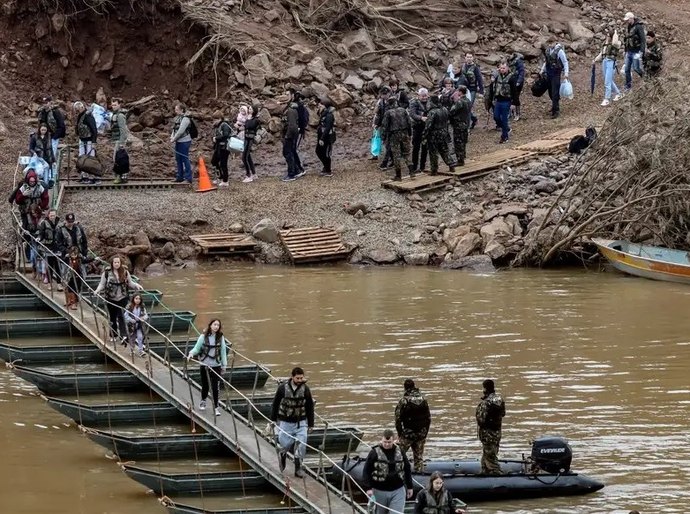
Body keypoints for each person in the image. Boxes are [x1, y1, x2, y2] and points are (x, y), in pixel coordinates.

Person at [270, 366, 315, 478]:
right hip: (286, 422)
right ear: (292, 377)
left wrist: (311, 424)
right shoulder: (282, 388)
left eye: (301, 378)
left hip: (301, 422)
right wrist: (273, 420)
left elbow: (309, 407)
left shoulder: (306, 389)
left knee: (301, 444)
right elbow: (275, 404)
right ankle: (283, 453)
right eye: (297, 378)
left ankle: (298, 468)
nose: (299, 380)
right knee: (285, 443)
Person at [93, 255, 143, 344]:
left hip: (123, 298)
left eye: (118, 262)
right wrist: (97, 290)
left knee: (122, 316)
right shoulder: (107, 273)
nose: (116, 264)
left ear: (120, 263)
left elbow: (130, 283)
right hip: (111, 298)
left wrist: (137, 285)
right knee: (112, 317)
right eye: (115, 262)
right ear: (112, 263)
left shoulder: (125, 272)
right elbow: (102, 284)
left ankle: (123, 335)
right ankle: (113, 334)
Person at [362, 428, 414, 514]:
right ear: (381, 440)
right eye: (384, 442)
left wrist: (410, 486)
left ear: (394, 440)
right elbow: (366, 470)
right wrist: (368, 488)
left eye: (389, 442)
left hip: (398, 490)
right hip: (379, 490)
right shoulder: (374, 452)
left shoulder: (400, 451)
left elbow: (407, 468)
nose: (386, 444)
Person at [187, 319, 229, 417]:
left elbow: (223, 351)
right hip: (204, 365)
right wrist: (191, 354)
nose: (216, 326)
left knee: (215, 388)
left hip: (216, 366)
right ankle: (203, 400)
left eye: (218, 325)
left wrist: (224, 365)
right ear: (210, 325)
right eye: (214, 324)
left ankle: (216, 408)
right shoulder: (203, 337)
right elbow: (197, 348)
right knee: (205, 385)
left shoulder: (220, 337)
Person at [395, 379, 431, 473]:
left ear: (405, 388)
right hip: (421, 434)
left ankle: (397, 475)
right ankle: (419, 475)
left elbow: (397, 419)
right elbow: (428, 418)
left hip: (408, 434)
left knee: (398, 456)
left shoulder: (404, 401)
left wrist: (400, 434)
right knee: (419, 458)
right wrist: (425, 433)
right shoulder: (424, 399)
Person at [475, 379, 506, 475]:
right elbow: (503, 414)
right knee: (490, 452)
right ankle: (485, 470)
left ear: (484, 388)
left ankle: (497, 473)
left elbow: (481, 419)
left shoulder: (486, 403)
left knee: (490, 455)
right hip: (497, 432)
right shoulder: (500, 399)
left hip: (487, 433)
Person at [381, 97, 414, 181]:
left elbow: (385, 126)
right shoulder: (403, 110)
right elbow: (409, 122)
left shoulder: (388, 113)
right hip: (405, 133)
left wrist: (383, 137)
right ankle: (412, 172)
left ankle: (398, 175)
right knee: (407, 153)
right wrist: (410, 133)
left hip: (394, 135)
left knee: (396, 155)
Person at [423, 95, 454, 176]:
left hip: (434, 134)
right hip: (444, 132)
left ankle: (434, 170)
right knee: (444, 149)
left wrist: (424, 135)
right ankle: (451, 164)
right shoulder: (444, 109)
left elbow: (428, 125)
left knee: (433, 152)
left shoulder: (432, 112)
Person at [593, 28, 623, 106]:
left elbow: (614, 42)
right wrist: (595, 59)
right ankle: (619, 93)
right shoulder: (606, 43)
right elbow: (602, 53)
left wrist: (615, 33)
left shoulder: (617, 43)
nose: (607, 37)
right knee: (608, 80)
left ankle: (607, 99)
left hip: (611, 62)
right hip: (605, 61)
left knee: (607, 81)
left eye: (609, 36)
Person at [540, 42, 569, 119]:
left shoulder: (560, 51)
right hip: (549, 73)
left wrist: (566, 73)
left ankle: (556, 110)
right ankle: (554, 105)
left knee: (555, 92)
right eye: (548, 44)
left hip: (556, 73)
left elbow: (565, 62)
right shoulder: (548, 50)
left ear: (554, 43)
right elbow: (546, 61)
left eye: (551, 43)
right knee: (550, 91)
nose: (549, 45)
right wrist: (542, 70)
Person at [37, 209, 63, 291]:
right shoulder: (44, 223)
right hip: (48, 247)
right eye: (51, 215)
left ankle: (59, 284)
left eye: (54, 215)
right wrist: (39, 238)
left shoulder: (60, 223)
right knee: (50, 266)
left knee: (58, 266)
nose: (52, 217)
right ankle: (50, 283)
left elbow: (63, 233)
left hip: (57, 247)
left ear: (56, 215)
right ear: (48, 215)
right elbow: (41, 233)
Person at [74, 101, 99, 183]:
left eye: (78, 109)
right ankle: (84, 176)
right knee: (82, 158)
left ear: (82, 107)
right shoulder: (79, 116)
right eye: (76, 110)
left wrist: (94, 142)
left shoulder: (88, 116)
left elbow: (94, 130)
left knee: (90, 159)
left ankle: (93, 176)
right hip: (82, 140)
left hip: (89, 140)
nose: (77, 111)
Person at [37, 95, 66, 164]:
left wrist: (56, 136)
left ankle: (53, 172)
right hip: (44, 136)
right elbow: (40, 124)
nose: (45, 104)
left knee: (52, 154)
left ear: (50, 102)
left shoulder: (55, 112)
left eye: (46, 102)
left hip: (53, 136)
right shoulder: (42, 112)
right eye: (43, 103)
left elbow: (61, 125)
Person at [459, 53, 484, 129]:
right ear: (465, 58)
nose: (469, 58)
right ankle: (474, 119)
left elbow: (479, 79)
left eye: (470, 57)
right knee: (464, 106)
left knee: (468, 106)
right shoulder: (463, 66)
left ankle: (467, 126)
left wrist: (481, 91)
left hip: (472, 89)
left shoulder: (476, 67)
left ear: (473, 58)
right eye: (467, 57)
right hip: (463, 89)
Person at [170, 103, 193, 184]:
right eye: (175, 110)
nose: (175, 111)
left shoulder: (185, 119)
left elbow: (181, 131)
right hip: (178, 141)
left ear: (182, 110)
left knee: (184, 158)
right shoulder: (178, 118)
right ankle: (180, 176)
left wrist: (174, 138)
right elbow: (174, 129)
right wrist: (172, 137)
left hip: (185, 141)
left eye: (177, 110)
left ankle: (188, 178)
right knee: (178, 158)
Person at [408, 88, 429, 173]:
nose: (424, 98)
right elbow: (412, 114)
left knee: (425, 148)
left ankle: (422, 166)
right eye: (422, 96)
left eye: (425, 96)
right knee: (416, 148)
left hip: (426, 128)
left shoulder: (429, 102)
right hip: (417, 127)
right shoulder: (414, 102)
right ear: (418, 96)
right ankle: (414, 166)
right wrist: (421, 118)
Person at [492, 62, 515, 144]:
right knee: (496, 116)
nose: (502, 70)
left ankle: (504, 137)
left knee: (504, 119)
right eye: (501, 68)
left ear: (507, 68)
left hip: (506, 100)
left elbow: (514, 91)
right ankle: (506, 128)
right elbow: (494, 87)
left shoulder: (511, 77)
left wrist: (513, 103)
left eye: (504, 68)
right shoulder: (497, 76)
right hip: (498, 100)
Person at [623, 12, 646, 91]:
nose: (626, 21)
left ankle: (645, 77)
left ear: (631, 18)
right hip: (629, 51)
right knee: (627, 70)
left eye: (627, 20)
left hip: (636, 51)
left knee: (636, 68)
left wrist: (641, 52)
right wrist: (625, 50)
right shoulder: (629, 27)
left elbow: (643, 40)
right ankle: (628, 86)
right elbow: (626, 39)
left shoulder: (639, 27)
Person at [449, 86, 471, 167]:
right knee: (463, 141)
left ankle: (460, 160)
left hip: (458, 124)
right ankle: (463, 156)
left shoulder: (460, 102)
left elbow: (452, 111)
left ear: (460, 92)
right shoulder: (468, 100)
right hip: (465, 123)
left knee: (458, 142)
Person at [281, 98, 301, 182]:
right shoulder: (288, 110)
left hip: (290, 136)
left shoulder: (290, 111)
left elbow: (292, 125)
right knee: (290, 152)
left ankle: (291, 174)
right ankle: (296, 170)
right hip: (289, 135)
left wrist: (287, 136)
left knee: (288, 153)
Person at [29, 123, 55, 188]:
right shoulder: (34, 137)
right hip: (39, 157)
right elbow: (30, 148)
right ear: (39, 129)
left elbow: (51, 148)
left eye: (45, 130)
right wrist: (34, 153)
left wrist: (54, 160)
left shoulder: (48, 136)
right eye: (42, 130)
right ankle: (40, 185)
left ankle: (45, 184)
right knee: (42, 171)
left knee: (47, 169)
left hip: (48, 156)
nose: (43, 131)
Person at [124, 292, 150, 357]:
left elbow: (146, 315)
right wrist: (131, 320)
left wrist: (143, 318)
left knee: (140, 337)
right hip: (132, 325)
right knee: (132, 338)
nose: (138, 300)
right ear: (133, 299)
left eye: (139, 299)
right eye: (136, 298)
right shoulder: (129, 306)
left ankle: (141, 351)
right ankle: (132, 350)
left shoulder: (142, 307)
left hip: (139, 325)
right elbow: (125, 315)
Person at [316, 98, 336, 177]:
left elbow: (327, 128)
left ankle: (328, 170)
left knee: (326, 153)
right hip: (321, 136)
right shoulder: (323, 113)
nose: (319, 106)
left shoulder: (329, 115)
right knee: (318, 151)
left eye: (320, 104)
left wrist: (322, 138)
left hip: (327, 137)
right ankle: (325, 166)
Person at [211, 110, 232, 187]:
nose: (214, 121)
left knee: (223, 164)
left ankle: (225, 180)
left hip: (224, 147)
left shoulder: (224, 125)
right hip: (219, 146)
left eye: (215, 119)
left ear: (220, 118)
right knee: (214, 161)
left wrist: (216, 138)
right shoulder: (218, 126)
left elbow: (226, 135)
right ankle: (220, 177)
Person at [372, 86, 392, 168]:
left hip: (392, 126)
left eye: (385, 94)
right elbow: (379, 114)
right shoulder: (381, 102)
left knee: (389, 144)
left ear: (388, 94)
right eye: (383, 94)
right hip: (383, 125)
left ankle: (386, 162)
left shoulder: (393, 102)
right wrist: (376, 124)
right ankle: (392, 159)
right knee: (386, 143)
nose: (384, 96)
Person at [242, 105, 260, 182]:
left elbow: (250, 126)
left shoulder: (255, 119)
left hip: (250, 139)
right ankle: (254, 173)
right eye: (249, 108)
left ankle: (248, 175)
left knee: (244, 157)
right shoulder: (248, 118)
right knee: (248, 156)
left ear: (254, 110)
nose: (249, 110)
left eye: (251, 109)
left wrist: (247, 120)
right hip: (246, 138)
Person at [62, 245, 83, 310]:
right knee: (67, 288)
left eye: (75, 254)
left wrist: (94, 259)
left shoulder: (79, 259)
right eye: (72, 254)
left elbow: (86, 260)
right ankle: (68, 301)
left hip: (77, 276)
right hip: (68, 276)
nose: (73, 256)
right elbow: (62, 259)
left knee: (74, 289)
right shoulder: (68, 259)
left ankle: (73, 303)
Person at [507, 52, 525, 121]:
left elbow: (522, 72)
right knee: (510, 97)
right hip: (511, 81)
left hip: (517, 81)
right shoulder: (509, 61)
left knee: (516, 97)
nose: (508, 56)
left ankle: (518, 114)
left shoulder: (518, 61)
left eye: (509, 54)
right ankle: (511, 113)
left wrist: (519, 81)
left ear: (513, 54)